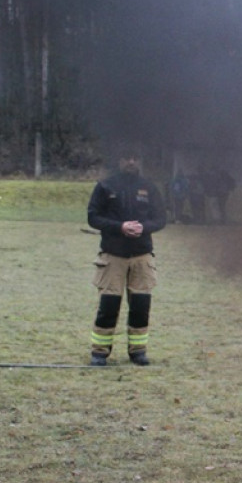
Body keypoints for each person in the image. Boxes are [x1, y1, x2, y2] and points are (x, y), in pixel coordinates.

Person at [86, 155, 167, 366]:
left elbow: (160, 219)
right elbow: (93, 217)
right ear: (119, 161)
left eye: (135, 158)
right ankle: (100, 352)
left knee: (141, 306)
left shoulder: (149, 188)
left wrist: (144, 228)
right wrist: (120, 227)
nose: (131, 162)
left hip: (141, 256)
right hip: (113, 256)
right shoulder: (105, 186)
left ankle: (138, 351)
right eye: (125, 158)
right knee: (109, 306)